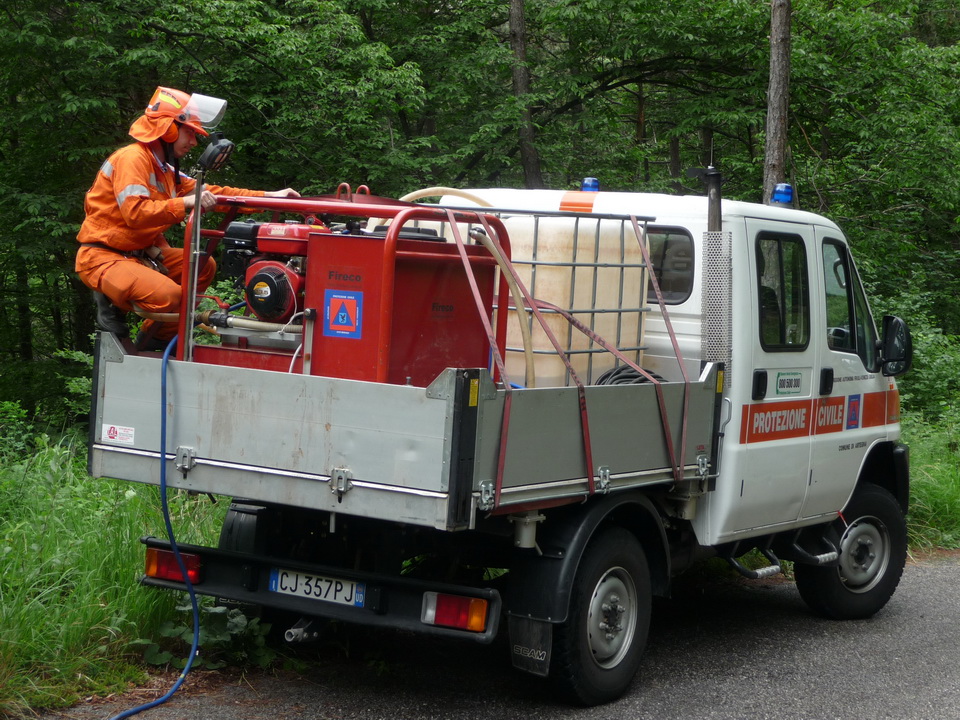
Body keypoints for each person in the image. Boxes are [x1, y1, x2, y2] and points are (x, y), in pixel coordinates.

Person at [76, 86, 300, 347]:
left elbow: (216, 193)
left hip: (138, 255)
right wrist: (184, 203)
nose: (194, 142)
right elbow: (135, 214)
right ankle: (112, 300)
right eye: (190, 133)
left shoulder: (165, 170)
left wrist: (269, 196)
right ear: (168, 129)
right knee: (170, 296)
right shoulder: (132, 159)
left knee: (204, 265)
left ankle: (156, 340)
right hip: (104, 257)